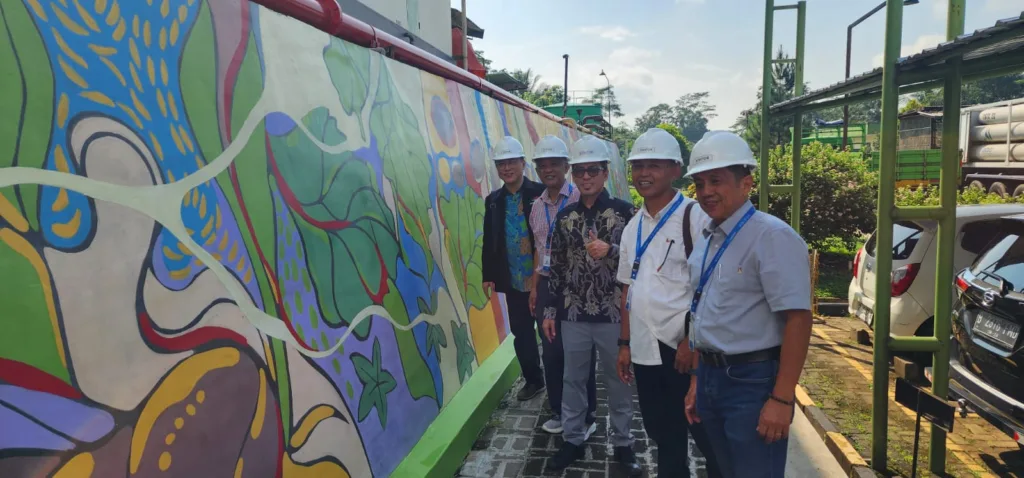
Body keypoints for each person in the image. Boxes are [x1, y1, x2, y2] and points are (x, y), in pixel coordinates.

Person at [682, 131, 813, 478]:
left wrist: (782, 398)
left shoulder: (771, 237)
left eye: (716, 180)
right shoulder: (709, 237)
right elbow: (702, 311)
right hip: (710, 375)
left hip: (751, 382)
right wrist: (697, 380)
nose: (706, 191)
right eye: (700, 183)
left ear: (746, 183)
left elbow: (798, 319)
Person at [615, 128, 723, 478]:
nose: (644, 173)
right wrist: (624, 343)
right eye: (638, 166)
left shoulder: (696, 217)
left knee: (706, 434)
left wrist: (692, 342)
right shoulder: (633, 227)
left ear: (676, 169)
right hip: (645, 349)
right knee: (661, 431)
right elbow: (628, 289)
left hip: (681, 350)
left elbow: (714, 288)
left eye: (654, 165)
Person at [542, 136, 642, 476]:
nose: (586, 177)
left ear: (605, 173)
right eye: (580, 171)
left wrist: (611, 251)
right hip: (573, 313)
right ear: (573, 174)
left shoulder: (626, 213)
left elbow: (639, 260)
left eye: (593, 170)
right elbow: (556, 267)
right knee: (573, 378)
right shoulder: (565, 217)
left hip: (614, 313)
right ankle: (573, 438)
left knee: (619, 379)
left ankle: (624, 442)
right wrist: (550, 311)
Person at [527, 135, 598, 436]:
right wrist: (535, 287)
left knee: (581, 352)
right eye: (542, 165)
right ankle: (559, 410)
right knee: (552, 351)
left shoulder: (581, 199)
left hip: (578, 284)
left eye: (554, 164)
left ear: (566, 167)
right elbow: (538, 248)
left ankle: (587, 414)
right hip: (547, 284)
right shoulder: (536, 206)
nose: (548, 170)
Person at [482, 135, 546, 401]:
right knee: (522, 334)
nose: (506, 168)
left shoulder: (540, 193)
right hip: (514, 280)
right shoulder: (494, 200)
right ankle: (534, 380)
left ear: (523, 163)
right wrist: (488, 274)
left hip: (543, 279)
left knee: (550, 334)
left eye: (511, 162)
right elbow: (490, 238)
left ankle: (559, 382)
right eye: (501, 163)